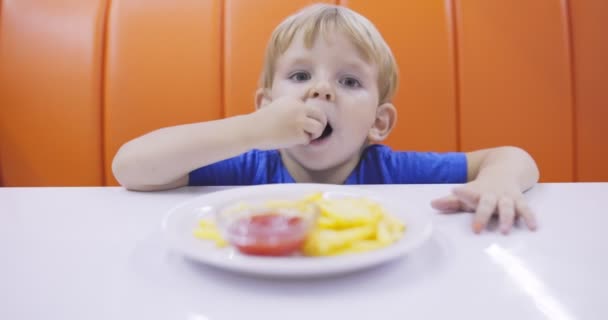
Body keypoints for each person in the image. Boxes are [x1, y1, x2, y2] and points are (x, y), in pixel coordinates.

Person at [112, 3, 539, 234]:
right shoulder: (251, 166)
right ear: (267, 105)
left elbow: (512, 156)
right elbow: (131, 167)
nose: (321, 90)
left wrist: (497, 181)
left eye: (350, 81)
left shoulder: (390, 171)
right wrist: (251, 131)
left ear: (379, 123)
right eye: (300, 76)